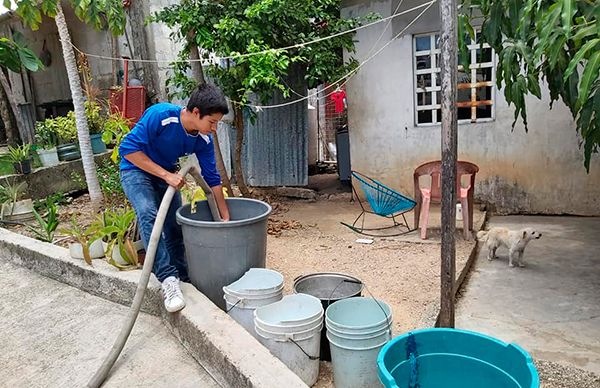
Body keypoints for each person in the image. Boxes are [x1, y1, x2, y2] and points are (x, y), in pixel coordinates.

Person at [119, 83, 230, 313]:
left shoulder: (203, 139)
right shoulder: (161, 116)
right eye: (212, 122)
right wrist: (165, 175)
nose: (214, 128)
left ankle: (183, 276)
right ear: (196, 112)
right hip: (135, 169)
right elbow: (127, 149)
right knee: (149, 212)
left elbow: (212, 177)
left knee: (173, 225)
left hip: (166, 173)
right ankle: (168, 279)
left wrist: (225, 215)